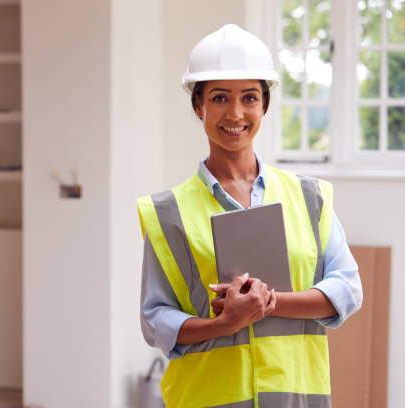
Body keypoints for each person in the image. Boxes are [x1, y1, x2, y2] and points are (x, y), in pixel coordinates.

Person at [138, 24, 362, 408]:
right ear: (198, 106)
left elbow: (346, 290)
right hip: (207, 398)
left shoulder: (310, 198)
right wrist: (223, 325)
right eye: (221, 98)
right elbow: (155, 320)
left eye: (250, 98)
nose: (236, 113)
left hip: (295, 399)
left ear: (264, 106)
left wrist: (268, 301)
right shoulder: (167, 213)